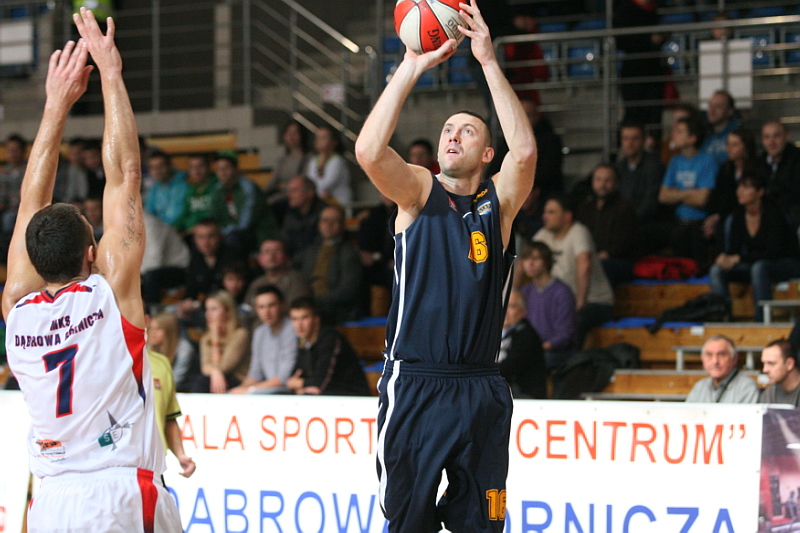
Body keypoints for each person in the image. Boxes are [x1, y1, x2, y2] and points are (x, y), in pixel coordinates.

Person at [354, 0, 537, 528]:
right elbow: (369, 152)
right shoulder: (418, 190)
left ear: (487, 155)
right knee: (407, 522)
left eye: (468, 131)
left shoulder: (498, 205)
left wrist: (488, 61)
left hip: (481, 385)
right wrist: (411, 65)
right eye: (447, 129)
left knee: (483, 523)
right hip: (416, 382)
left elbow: (525, 153)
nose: (453, 134)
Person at [2, 9, 181, 530]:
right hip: (121, 492)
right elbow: (125, 173)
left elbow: (30, 203)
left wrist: (54, 105)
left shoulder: (16, 307)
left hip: (51, 501)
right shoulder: (111, 292)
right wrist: (111, 72)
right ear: (90, 254)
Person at [709, 172, 800, 322]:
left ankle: (762, 321)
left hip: (785, 263)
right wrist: (725, 258)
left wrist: (738, 258)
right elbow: (733, 251)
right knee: (717, 270)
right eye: (739, 187)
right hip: (755, 264)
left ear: (760, 192)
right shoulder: (738, 216)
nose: (739, 191)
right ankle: (720, 317)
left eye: (746, 187)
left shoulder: (774, 214)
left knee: (760, 267)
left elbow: (774, 253)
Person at [534, 195, 614, 347]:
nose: (545, 216)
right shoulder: (543, 234)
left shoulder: (579, 232)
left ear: (567, 216)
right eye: (545, 212)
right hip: (562, 303)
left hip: (594, 302)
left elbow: (584, 265)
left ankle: (567, 359)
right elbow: (524, 261)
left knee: (573, 323)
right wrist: (513, 294)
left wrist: (580, 302)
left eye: (551, 212)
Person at [659, 115, 719, 270]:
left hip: (699, 223)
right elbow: (663, 196)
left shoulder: (707, 160)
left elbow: (701, 200)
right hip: (678, 221)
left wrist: (676, 193)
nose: (673, 134)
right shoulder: (675, 161)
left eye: (679, 131)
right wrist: (689, 193)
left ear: (692, 138)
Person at [286, 297, 370, 396]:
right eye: (294, 319)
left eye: (304, 318)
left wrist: (300, 384)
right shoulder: (302, 341)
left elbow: (320, 382)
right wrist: (298, 386)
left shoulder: (330, 338)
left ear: (316, 319)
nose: (299, 324)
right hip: (326, 396)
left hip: (350, 396)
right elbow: (294, 377)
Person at [296, 203, 363, 324]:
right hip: (308, 305)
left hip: (333, 310)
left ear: (343, 225)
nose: (329, 225)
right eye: (325, 220)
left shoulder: (349, 254)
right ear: (319, 224)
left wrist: (313, 301)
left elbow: (346, 293)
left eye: (334, 221)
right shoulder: (310, 251)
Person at [517, 241, 576, 372]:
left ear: (547, 261)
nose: (530, 263)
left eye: (536, 259)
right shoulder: (526, 291)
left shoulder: (561, 292)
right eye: (526, 259)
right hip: (533, 350)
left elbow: (565, 334)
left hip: (556, 353)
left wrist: (539, 348)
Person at [575, 163, 638, 286]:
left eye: (607, 180)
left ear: (616, 183)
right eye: (598, 180)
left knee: (602, 267)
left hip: (617, 260)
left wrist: (608, 254)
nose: (602, 184)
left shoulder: (624, 208)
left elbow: (627, 241)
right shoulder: (585, 208)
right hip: (590, 258)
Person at [229, 285, 298, 394]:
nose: (266, 311)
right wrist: (239, 390)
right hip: (266, 388)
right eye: (261, 307)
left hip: (288, 391)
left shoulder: (293, 328)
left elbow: (284, 378)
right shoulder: (259, 332)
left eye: (271, 305)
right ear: (256, 309)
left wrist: (249, 390)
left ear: (282, 305)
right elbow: (255, 371)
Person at [211, 149, 276, 255]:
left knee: (232, 239)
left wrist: (222, 232)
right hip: (229, 233)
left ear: (236, 169)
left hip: (257, 235)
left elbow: (245, 224)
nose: (222, 172)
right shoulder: (217, 190)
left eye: (226, 168)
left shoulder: (248, 188)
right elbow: (213, 217)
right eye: (218, 169)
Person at [702, 128, 758, 245]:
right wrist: (712, 216)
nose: (728, 148)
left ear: (746, 147)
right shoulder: (726, 169)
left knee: (729, 222)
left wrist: (719, 216)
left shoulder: (756, 169)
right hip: (725, 214)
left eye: (735, 145)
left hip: (749, 213)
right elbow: (717, 196)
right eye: (728, 144)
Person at [146, 348, 196, 478]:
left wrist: (180, 454)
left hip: (153, 464)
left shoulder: (161, 363)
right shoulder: (105, 360)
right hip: (112, 463)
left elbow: (169, 417)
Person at [191, 290, 251, 393]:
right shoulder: (206, 337)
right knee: (202, 380)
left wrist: (215, 340)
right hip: (215, 378)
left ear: (228, 312)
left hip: (238, 380)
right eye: (207, 309)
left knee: (204, 382)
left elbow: (224, 367)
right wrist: (214, 372)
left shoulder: (240, 334)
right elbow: (205, 367)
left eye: (214, 309)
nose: (208, 314)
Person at [499, 290, 547, 399]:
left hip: (523, 395)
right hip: (501, 390)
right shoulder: (491, 333)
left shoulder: (527, 335)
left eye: (512, 306)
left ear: (523, 312)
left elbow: (509, 368)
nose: (505, 310)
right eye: (503, 305)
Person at [685, 335, 759, 403]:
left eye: (722, 355)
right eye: (709, 355)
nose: (715, 361)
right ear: (702, 359)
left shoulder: (747, 387)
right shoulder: (700, 387)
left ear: (734, 358)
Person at [244, 238, 311, 312]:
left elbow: (299, 311)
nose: (271, 256)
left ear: (286, 256)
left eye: (277, 251)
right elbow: (246, 311)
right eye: (267, 251)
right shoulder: (256, 283)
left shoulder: (297, 280)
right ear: (260, 258)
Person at [759, 120, 800, 228]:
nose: (771, 141)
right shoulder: (760, 161)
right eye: (767, 137)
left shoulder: (796, 159)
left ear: (787, 136)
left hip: (790, 212)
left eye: (776, 136)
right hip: (764, 211)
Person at [147, 312, 199, 393]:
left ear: (169, 331)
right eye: (151, 328)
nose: (153, 333)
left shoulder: (184, 350)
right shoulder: (148, 348)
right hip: (156, 391)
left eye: (158, 329)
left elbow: (175, 381)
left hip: (182, 393)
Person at [280, 175, 327, 258]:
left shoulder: (325, 214)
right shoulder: (290, 214)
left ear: (310, 193)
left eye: (294, 191)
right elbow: (284, 240)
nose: (288, 195)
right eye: (288, 191)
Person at [173, 153, 219, 235]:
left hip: (209, 233)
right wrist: (173, 228)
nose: (196, 171)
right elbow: (184, 214)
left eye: (200, 166)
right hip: (190, 232)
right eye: (192, 167)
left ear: (209, 167)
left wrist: (194, 229)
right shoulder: (191, 190)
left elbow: (216, 215)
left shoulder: (218, 187)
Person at [305, 125, 352, 205]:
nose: (319, 141)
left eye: (323, 138)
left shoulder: (337, 160)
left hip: (339, 201)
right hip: (320, 200)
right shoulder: (313, 160)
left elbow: (326, 184)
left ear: (334, 142)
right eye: (317, 138)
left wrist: (320, 167)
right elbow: (310, 183)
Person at [268, 119, 310, 204]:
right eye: (288, 132)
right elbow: (272, 182)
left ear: (302, 135)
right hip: (282, 196)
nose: (291, 135)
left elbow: (303, 183)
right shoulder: (282, 159)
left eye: (295, 132)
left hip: (297, 197)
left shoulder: (308, 158)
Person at [144, 150, 188, 227]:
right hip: (159, 229)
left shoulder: (184, 183)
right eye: (153, 167)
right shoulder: (154, 188)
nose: (157, 170)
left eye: (161, 166)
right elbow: (149, 213)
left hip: (179, 228)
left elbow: (183, 214)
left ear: (170, 165)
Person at [701, 89, 741, 165]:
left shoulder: (738, 134)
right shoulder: (702, 134)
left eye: (718, 106)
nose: (712, 110)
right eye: (710, 105)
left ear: (730, 111)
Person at [0, 134, 28, 234]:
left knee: (9, 218)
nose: (12, 153)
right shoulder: (4, 172)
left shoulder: (29, 170)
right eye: (9, 150)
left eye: (15, 150)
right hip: (8, 209)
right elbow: (2, 195)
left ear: (23, 151)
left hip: (25, 208)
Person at [760, 339, 800, 406]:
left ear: (789, 364)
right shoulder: (769, 393)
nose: (765, 370)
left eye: (771, 363)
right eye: (764, 364)